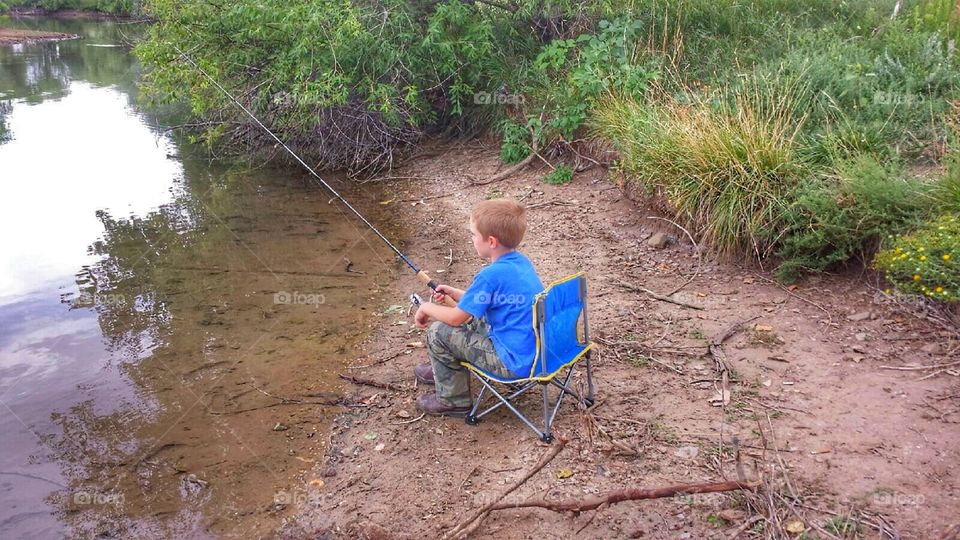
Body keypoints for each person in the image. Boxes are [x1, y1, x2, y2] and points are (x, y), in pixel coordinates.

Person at [412, 198, 544, 416]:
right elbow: (494, 300)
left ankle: (453, 400)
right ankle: (442, 370)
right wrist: (457, 294)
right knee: (476, 316)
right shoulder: (520, 263)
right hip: (538, 352)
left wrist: (425, 308)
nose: (472, 239)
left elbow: (456, 318)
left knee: (438, 332)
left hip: (513, 363)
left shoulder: (489, 276)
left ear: (491, 241)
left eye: (473, 235)